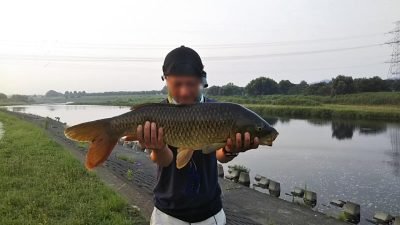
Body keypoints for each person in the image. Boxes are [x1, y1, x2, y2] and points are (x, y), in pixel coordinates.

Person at [136, 46, 260, 225]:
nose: (185, 91)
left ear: (202, 80)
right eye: (177, 84)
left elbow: (220, 156)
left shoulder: (221, 112)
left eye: (191, 84)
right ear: (166, 80)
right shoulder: (157, 114)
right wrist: (158, 147)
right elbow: (165, 160)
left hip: (209, 213)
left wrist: (230, 150)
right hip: (167, 212)